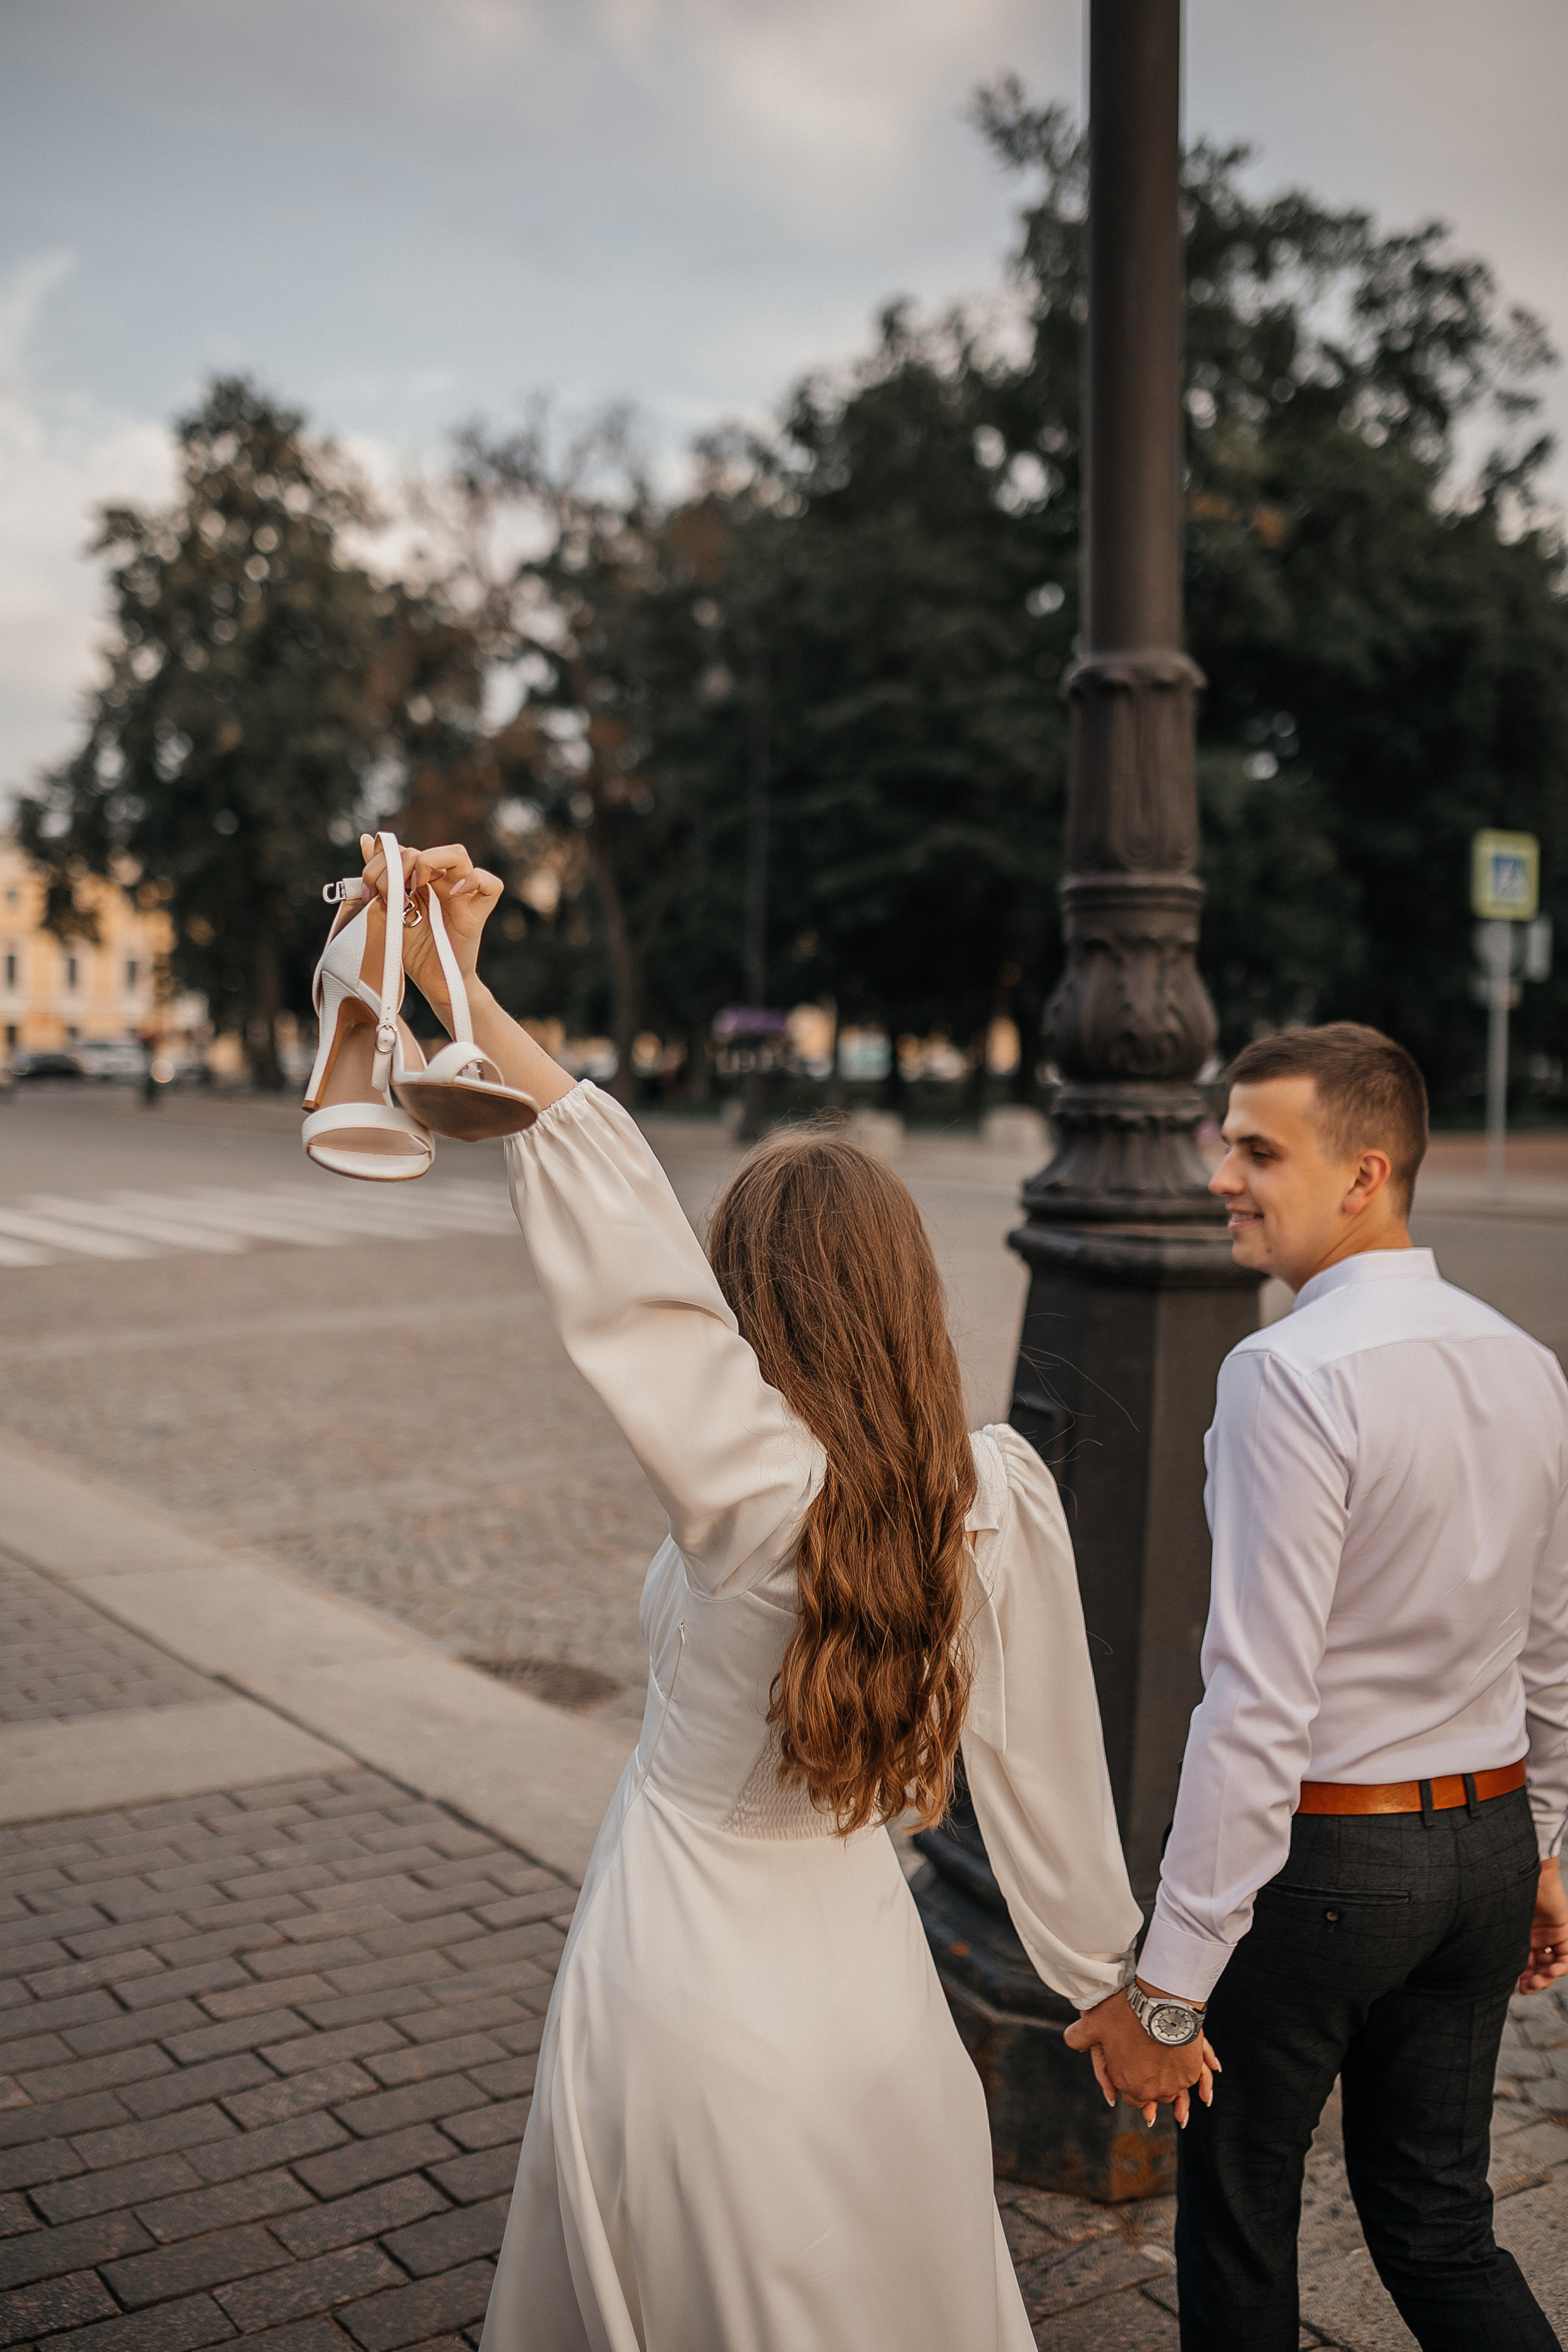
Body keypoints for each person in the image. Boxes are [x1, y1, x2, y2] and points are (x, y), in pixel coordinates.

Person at [358, 838, 1190, 2352]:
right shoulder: (984, 1498)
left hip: (676, 1973)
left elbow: (623, 1258)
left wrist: (455, 982)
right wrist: (1111, 1989)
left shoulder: (748, 1486)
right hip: (865, 2000)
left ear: (750, 1298)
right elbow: (1044, 1775)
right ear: (905, 1297)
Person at [1068, 1022, 1568, 2351]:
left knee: (1239, 2225)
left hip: (1332, 1866)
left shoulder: (1285, 1373)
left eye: (1252, 1150)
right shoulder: (1523, 1362)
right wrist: (1544, 1852)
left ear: (1361, 1174)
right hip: (1480, 1854)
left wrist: (1166, 1989)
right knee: (1438, 2225)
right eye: (1221, 1142)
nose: (1218, 1175)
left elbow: (1252, 1707)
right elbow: (1552, 1650)